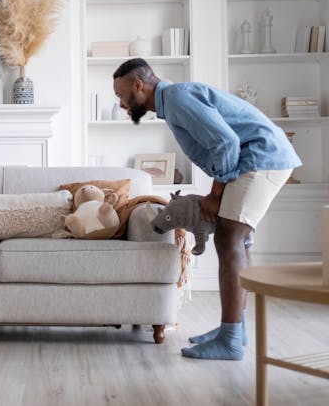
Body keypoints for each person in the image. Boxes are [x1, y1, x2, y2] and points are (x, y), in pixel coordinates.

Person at [112, 58, 301, 360]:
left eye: (121, 95)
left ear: (138, 85)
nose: (121, 103)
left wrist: (215, 194)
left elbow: (225, 143)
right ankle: (235, 330)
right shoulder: (172, 101)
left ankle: (230, 339)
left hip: (261, 156)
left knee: (229, 238)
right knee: (238, 239)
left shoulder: (176, 98)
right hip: (254, 158)